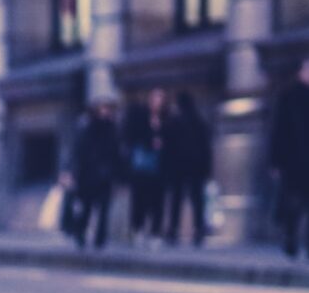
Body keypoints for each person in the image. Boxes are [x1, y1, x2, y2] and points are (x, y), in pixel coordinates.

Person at [269, 58, 309, 258]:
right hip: (293, 162)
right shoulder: (288, 97)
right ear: (300, 72)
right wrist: (276, 162)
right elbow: (279, 131)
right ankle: (291, 238)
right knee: (293, 205)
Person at [70, 97, 123, 249]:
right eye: (102, 109)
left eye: (107, 109)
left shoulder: (112, 129)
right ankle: (80, 235)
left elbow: (116, 154)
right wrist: (74, 174)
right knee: (86, 208)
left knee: (104, 209)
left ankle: (100, 239)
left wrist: (117, 175)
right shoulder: (86, 128)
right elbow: (78, 153)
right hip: (87, 177)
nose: (105, 112)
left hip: (105, 176)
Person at [162, 91, 213, 247]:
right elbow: (206, 147)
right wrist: (207, 168)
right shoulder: (199, 121)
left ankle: (173, 230)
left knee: (177, 200)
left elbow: (168, 148)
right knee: (197, 200)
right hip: (196, 167)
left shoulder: (175, 121)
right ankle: (198, 230)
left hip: (179, 168)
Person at [123, 88, 168, 246]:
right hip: (142, 166)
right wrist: (151, 141)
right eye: (155, 98)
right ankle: (137, 229)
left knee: (157, 202)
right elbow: (132, 136)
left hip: (159, 166)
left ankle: (155, 232)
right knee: (139, 200)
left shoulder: (165, 119)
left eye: (161, 99)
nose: (158, 102)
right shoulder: (141, 116)